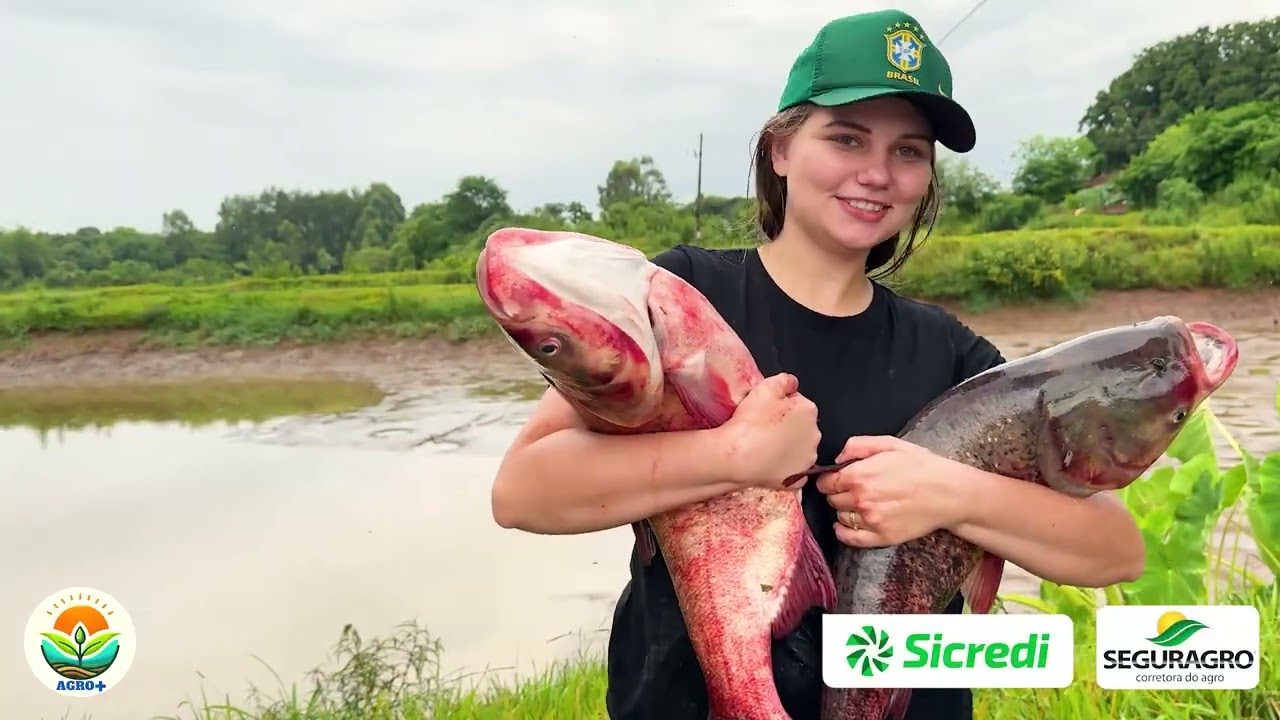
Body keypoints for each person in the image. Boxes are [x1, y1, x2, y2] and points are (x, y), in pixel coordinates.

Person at [489, 8, 1146, 720]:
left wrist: (951, 495)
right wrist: (731, 456)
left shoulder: (950, 354)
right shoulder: (685, 300)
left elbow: (1115, 550)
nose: (876, 173)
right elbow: (522, 494)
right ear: (779, 149)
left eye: (909, 151)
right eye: (846, 137)